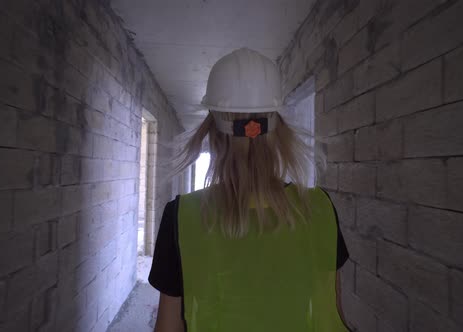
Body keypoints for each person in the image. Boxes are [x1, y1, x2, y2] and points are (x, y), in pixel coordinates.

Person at [148, 48, 351, 332]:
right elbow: (332, 315)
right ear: (279, 131)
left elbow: (167, 328)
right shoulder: (319, 209)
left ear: (214, 136)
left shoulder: (181, 217)